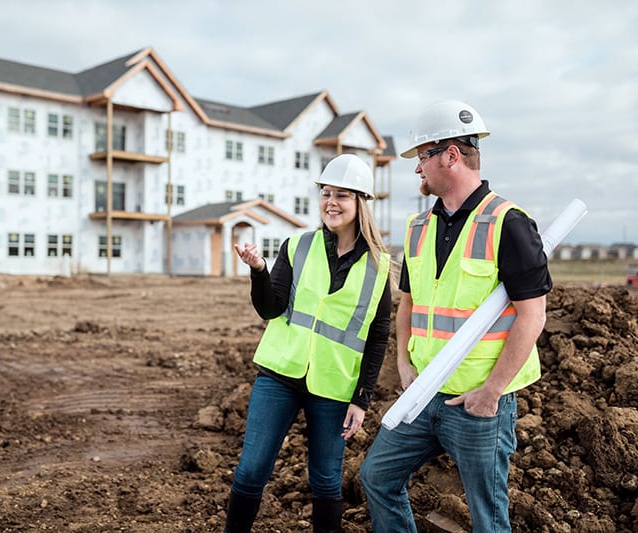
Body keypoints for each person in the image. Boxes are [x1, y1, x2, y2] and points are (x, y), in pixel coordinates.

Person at [360, 100, 552, 532]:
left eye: (422, 156)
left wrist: (492, 392)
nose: (417, 169)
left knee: (487, 516)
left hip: (477, 403)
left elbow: (532, 316)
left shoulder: (508, 222)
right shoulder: (417, 226)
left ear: (451, 155)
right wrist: (404, 363)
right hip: (423, 393)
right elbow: (407, 301)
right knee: (376, 476)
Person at [226, 154, 392, 533]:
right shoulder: (298, 246)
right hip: (280, 375)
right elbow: (271, 308)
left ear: (361, 204)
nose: (331, 202)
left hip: (334, 387)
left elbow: (378, 334)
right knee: (251, 471)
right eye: (326, 193)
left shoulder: (379, 266)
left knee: (326, 481)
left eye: (342, 196)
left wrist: (362, 399)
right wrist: (259, 272)